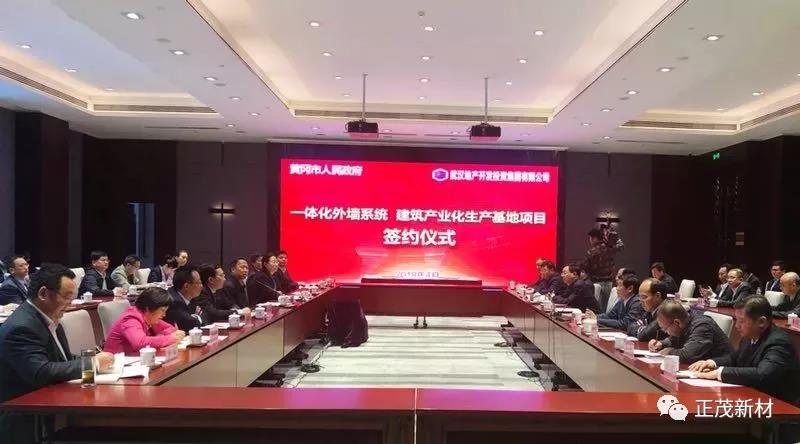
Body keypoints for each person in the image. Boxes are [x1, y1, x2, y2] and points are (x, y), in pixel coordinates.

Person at [0, 263, 114, 443]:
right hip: (27, 422)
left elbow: (62, 360)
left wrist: (95, 361)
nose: (71, 303)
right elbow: (41, 372)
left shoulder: (49, 318)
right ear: (43, 294)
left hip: (52, 409)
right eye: (67, 297)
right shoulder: (21, 327)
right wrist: (93, 363)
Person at [689, 296, 800, 406]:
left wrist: (719, 372)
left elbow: (763, 374)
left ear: (761, 322)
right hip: (754, 397)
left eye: (742, 321)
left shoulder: (779, 342)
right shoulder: (750, 336)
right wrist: (712, 363)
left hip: (779, 406)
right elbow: (735, 358)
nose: (737, 325)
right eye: (737, 320)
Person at [104, 287, 185, 355]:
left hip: (137, 360)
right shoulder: (131, 318)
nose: (164, 315)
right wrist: (169, 339)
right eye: (162, 311)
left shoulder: (149, 317)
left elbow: (170, 329)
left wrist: (172, 335)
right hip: (118, 364)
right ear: (148, 308)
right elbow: (139, 343)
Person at [649, 299, 732, 363]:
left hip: (721, 370)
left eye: (665, 328)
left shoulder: (702, 326)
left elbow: (688, 355)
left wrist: (669, 351)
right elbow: (676, 338)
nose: (664, 331)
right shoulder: (685, 322)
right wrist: (662, 344)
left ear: (677, 322)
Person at [580, 227, 623, 311]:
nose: (590, 241)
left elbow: (584, 267)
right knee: (607, 308)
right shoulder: (610, 248)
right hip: (609, 282)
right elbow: (621, 246)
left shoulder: (591, 252)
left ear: (594, 238)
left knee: (596, 308)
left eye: (590, 238)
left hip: (596, 283)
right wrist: (615, 236)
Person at [164, 265, 208, 332]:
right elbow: (192, 324)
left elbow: (206, 317)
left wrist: (196, 317)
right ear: (186, 286)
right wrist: (197, 318)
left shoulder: (191, 297)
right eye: (198, 282)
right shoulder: (174, 301)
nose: (201, 286)